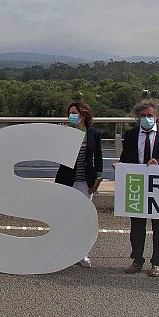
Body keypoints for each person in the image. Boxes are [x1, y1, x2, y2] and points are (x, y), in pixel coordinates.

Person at [118, 98, 159, 277]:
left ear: (157, 116)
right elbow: (126, 158)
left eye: (150, 115)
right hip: (137, 184)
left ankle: (157, 262)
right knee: (137, 225)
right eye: (143, 115)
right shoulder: (130, 135)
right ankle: (137, 259)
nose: (146, 118)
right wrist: (120, 166)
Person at [55, 101, 102, 268]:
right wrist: (59, 135)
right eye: (69, 113)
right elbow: (57, 154)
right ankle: (66, 252)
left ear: (83, 114)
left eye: (74, 113)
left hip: (85, 182)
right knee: (66, 218)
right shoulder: (66, 132)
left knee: (82, 219)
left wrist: (98, 178)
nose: (71, 116)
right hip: (67, 180)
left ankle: (82, 253)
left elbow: (98, 157)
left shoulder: (93, 134)